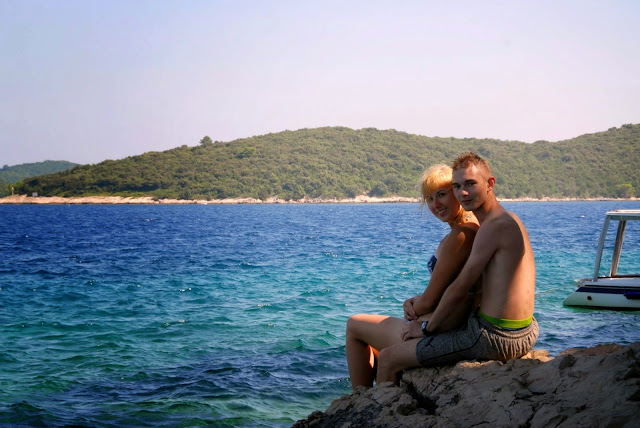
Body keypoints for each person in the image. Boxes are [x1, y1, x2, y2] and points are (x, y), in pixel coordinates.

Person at [375, 152, 539, 384]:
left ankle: (377, 406)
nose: (463, 193)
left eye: (470, 184)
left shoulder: (492, 227)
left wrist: (426, 329)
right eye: (457, 186)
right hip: (527, 331)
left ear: (490, 184)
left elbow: (460, 287)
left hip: (495, 337)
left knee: (388, 357)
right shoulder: (509, 219)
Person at [345, 164, 480, 390]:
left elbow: (434, 298)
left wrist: (414, 306)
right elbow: (447, 288)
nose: (435, 205)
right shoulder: (468, 229)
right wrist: (416, 301)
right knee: (375, 344)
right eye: (430, 199)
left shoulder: (462, 235)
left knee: (354, 326)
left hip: (442, 330)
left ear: (457, 192)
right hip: (445, 323)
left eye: (442, 195)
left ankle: (361, 398)